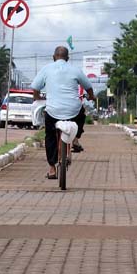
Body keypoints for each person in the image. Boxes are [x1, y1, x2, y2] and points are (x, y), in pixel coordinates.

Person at [31, 46, 94, 180]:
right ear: (68, 58)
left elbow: (35, 88)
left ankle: (52, 168)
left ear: (53, 57)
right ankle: (76, 138)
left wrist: (38, 98)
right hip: (73, 110)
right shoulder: (75, 70)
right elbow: (89, 87)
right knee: (82, 113)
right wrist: (92, 97)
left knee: (50, 136)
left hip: (53, 111)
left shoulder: (46, 69)